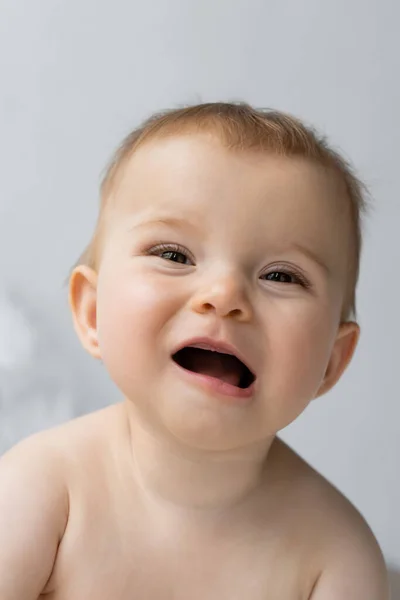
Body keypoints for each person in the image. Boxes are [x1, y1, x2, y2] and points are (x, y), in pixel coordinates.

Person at [0, 102, 389, 599]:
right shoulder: (42, 489)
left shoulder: (336, 558)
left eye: (280, 276)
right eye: (174, 255)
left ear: (331, 363)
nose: (224, 295)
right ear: (93, 314)